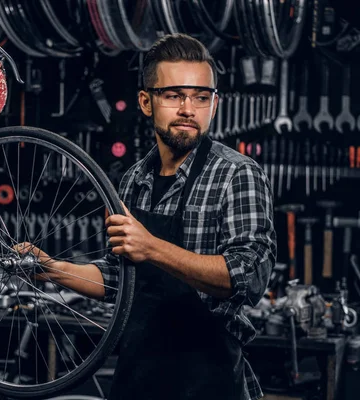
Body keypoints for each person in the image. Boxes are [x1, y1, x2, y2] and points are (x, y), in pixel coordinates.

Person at [17, 33, 276, 400]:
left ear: (214, 105)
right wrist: (49, 268)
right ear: (145, 101)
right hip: (138, 380)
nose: (189, 109)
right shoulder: (134, 180)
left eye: (202, 97)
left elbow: (247, 277)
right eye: (173, 95)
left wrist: (152, 247)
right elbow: (117, 278)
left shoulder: (237, 174)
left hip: (207, 383)